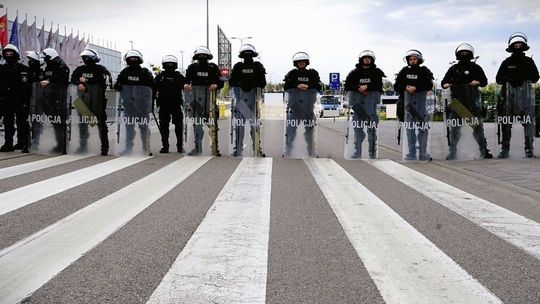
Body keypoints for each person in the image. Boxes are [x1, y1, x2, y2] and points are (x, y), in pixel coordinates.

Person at [441, 43, 493, 160]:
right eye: (462, 53)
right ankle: (453, 151)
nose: (464, 55)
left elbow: (484, 82)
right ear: (458, 55)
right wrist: (447, 84)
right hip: (457, 104)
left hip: (472, 102)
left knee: (477, 128)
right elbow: (443, 83)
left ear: (471, 55)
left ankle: (483, 150)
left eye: (466, 53)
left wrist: (478, 81)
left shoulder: (476, 68)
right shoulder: (453, 68)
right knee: (455, 129)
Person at [496, 32, 539, 158]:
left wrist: (524, 79)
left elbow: (536, 77)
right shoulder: (506, 62)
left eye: (520, 45)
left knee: (529, 124)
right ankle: (505, 149)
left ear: (524, 46)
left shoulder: (529, 62)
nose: (518, 47)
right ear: (511, 47)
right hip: (509, 100)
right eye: (516, 45)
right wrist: (509, 79)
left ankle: (529, 149)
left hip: (525, 99)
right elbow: (498, 78)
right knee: (506, 125)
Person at [344, 50, 385, 159]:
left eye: (369, 58)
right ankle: (357, 152)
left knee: (371, 130)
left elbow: (378, 85)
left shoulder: (376, 72)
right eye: (365, 58)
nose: (367, 59)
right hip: (358, 107)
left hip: (371, 106)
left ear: (372, 60)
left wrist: (367, 87)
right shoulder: (354, 73)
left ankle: (372, 153)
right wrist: (359, 88)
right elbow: (347, 85)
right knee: (358, 130)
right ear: (361, 59)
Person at [70, 48, 112, 156]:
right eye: (84, 58)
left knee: (101, 124)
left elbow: (104, 80)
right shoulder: (80, 69)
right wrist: (79, 82)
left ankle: (104, 147)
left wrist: (86, 80)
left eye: (88, 58)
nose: (86, 60)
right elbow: (72, 78)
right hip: (83, 102)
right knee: (82, 124)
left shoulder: (101, 69)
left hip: (98, 102)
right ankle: (82, 146)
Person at [183, 46, 224, 156]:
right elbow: (186, 80)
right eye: (200, 56)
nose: (202, 57)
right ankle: (198, 148)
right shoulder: (192, 68)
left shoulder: (213, 67)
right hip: (195, 101)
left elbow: (221, 82)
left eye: (204, 56)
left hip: (209, 101)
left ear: (208, 57)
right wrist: (186, 84)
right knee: (197, 125)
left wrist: (216, 84)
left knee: (212, 125)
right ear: (196, 57)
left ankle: (215, 148)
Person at [394, 49, 434, 160]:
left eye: (414, 59)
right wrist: (406, 88)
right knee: (409, 130)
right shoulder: (404, 71)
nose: (412, 61)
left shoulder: (424, 71)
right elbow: (397, 86)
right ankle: (411, 152)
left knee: (423, 129)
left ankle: (422, 152)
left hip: (421, 105)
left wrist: (416, 88)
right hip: (407, 106)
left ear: (419, 60)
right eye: (410, 59)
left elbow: (429, 84)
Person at [228, 44, 267, 156]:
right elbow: (231, 82)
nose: (247, 57)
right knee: (239, 126)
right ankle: (238, 149)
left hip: (254, 101)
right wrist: (243, 84)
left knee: (254, 126)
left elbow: (262, 83)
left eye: (249, 55)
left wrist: (250, 84)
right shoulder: (238, 66)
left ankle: (256, 149)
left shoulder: (257, 66)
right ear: (242, 56)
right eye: (245, 55)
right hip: (240, 101)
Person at [114, 49, 154, 155]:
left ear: (139, 60)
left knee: (144, 128)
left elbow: (153, 86)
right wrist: (118, 86)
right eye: (130, 59)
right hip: (128, 105)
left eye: (134, 59)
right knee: (129, 128)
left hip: (142, 106)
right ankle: (128, 148)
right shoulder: (124, 72)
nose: (133, 60)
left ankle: (146, 148)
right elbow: (117, 84)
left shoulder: (145, 72)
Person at [283, 51, 322, 157]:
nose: (301, 63)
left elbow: (318, 86)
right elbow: (286, 86)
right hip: (295, 108)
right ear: (296, 63)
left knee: (310, 132)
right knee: (291, 131)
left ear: (306, 62)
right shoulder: (292, 74)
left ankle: (311, 152)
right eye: (299, 62)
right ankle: (288, 151)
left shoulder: (312, 74)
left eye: (303, 61)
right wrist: (297, 86)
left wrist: (308, 87)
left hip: (308, 108)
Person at [0, 44, 32, 153]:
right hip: (6, 101)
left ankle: (21, 143)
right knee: (8, 123)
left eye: (11, 53)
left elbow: (27, 86)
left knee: (22, 123)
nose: (9, 55)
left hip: (21, 101)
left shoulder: (24, 69)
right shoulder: (1, 69)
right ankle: (8, 143)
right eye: (6, 54)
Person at [154, 55, 187, 153]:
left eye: (171, 65)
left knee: (179, 126)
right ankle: (165, 145)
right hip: (164, 105)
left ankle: (180, 146)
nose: (169, 67)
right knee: (164, 126)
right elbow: (152, 88)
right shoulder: (160, 76)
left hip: (176, 104)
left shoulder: (179, 76)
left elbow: (186, 85)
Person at [40, 48, 70, 153]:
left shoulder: (62, 66)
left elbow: (62, 78)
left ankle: (63, 146)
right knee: (55, 123)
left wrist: (48, 81)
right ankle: (59, 145)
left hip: (60, 98)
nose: (44, 60)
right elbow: (44, 77)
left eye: (45, 58)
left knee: (60, 123)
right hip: (49, 98)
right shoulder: (48, 66)